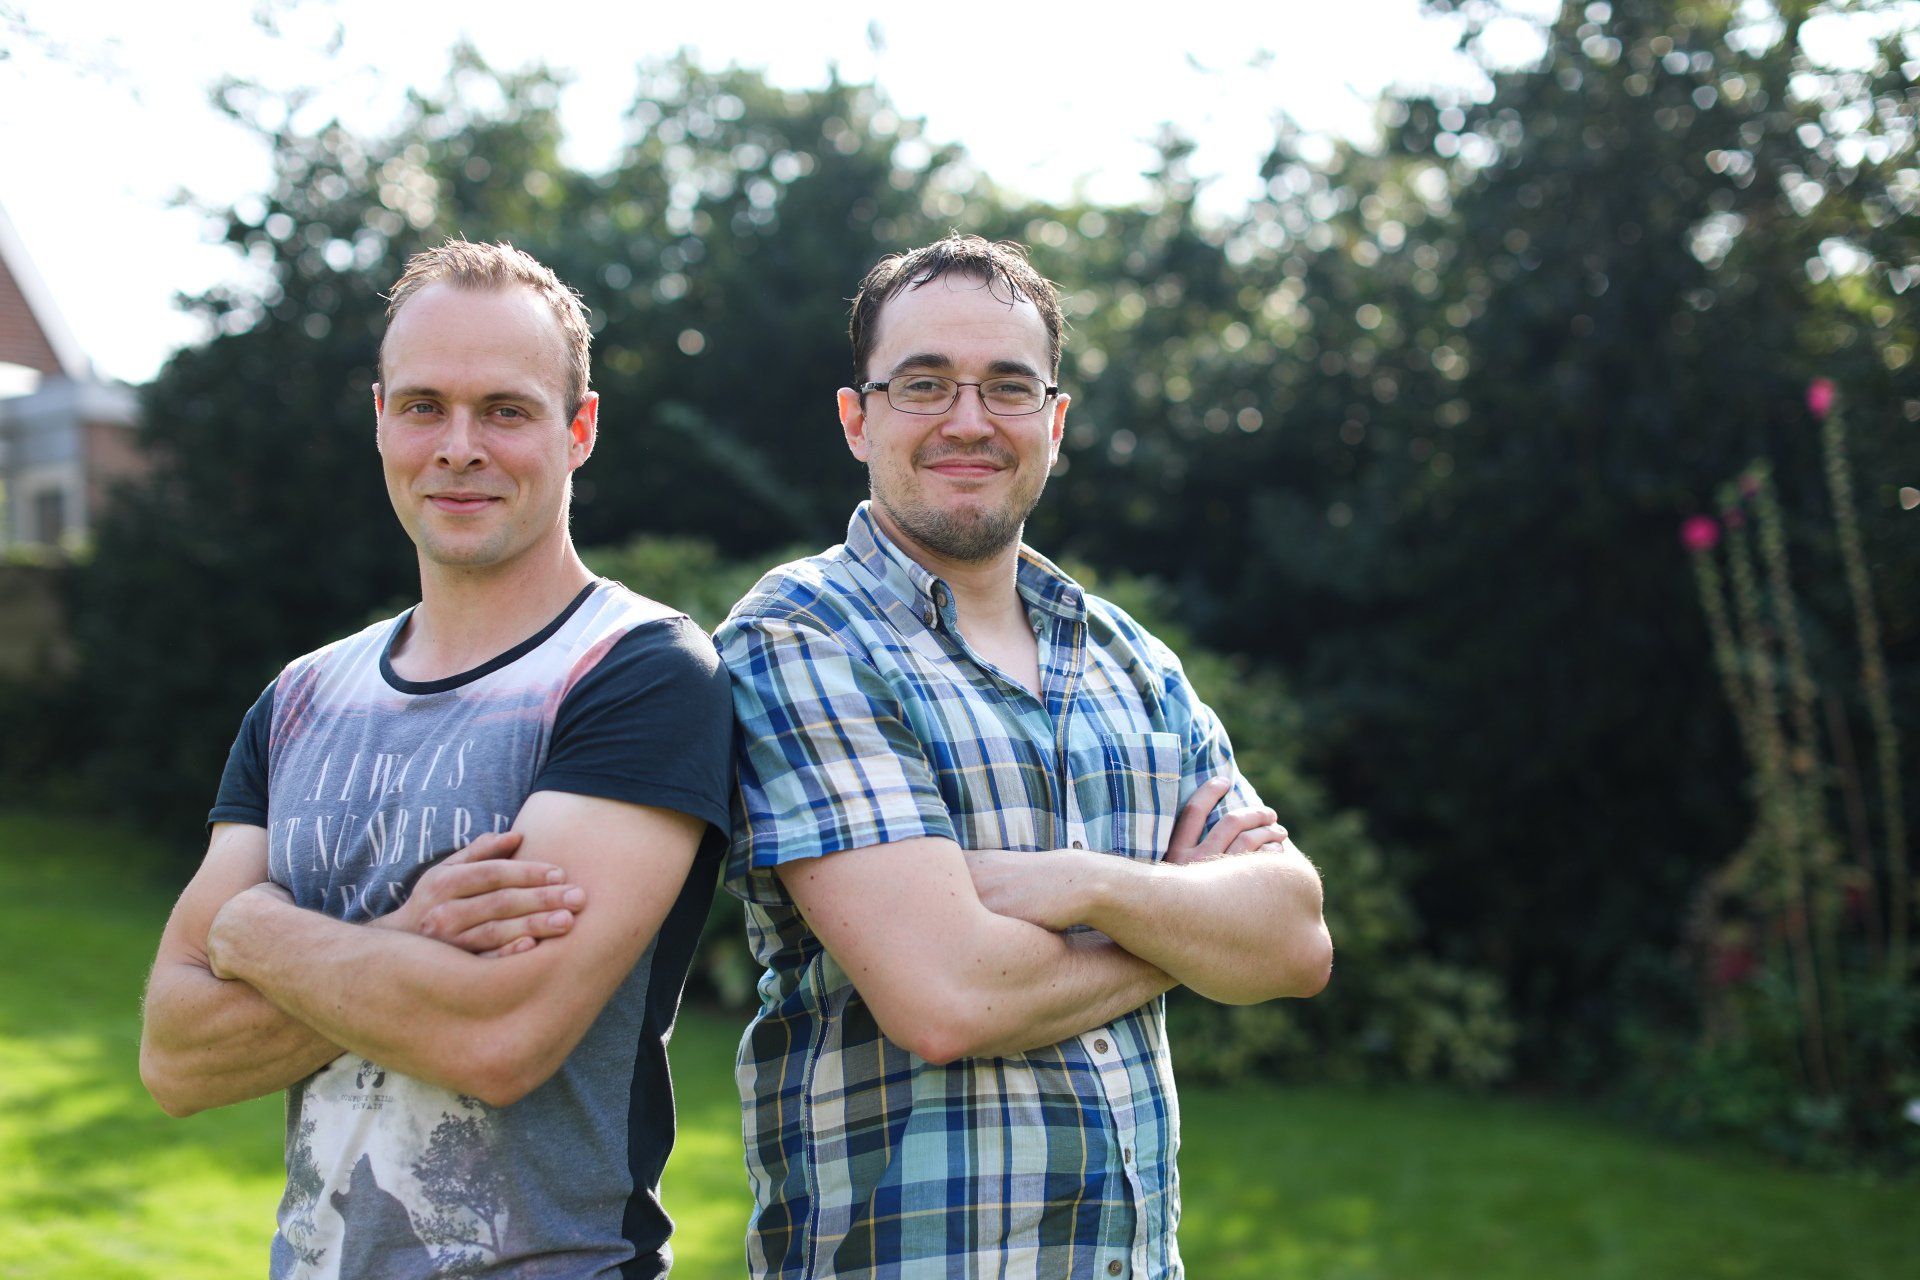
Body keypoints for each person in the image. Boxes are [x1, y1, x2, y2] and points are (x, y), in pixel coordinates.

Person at [716, 233, 1333, 1280]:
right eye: (924, 384)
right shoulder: (800, 637)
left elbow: (1296, 942)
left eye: (1008, 386)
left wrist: (1085, 884)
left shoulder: (1132, 661)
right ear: (858, 418)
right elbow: (947, 999)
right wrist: (1184, 926)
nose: (969, 420)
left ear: (1054, 421)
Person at [138, 240, 733, 1279]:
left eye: (505, 410)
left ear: (579, 429)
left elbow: (496, 1036)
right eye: (424, 406)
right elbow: (177, 1054)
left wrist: (257, 931)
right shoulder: (302, 697)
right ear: (380, 419)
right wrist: (410, 935)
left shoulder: (639, 672)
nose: (459, 447)